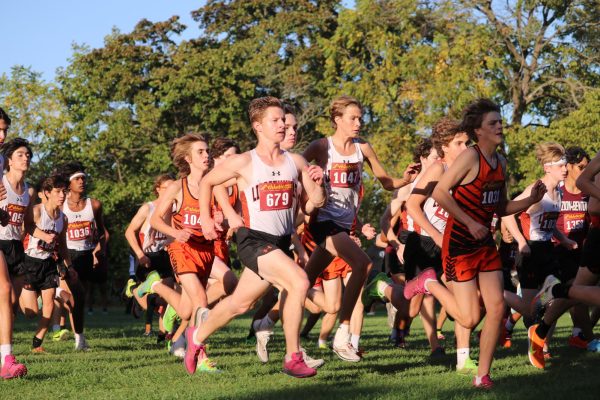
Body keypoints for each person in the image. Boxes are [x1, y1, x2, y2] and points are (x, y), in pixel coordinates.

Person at [404, 99, 546, 388]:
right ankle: (429, 282)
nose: (499, 126)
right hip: (458, 244)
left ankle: (482, 375)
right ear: (478, 131)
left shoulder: (501, 162)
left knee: (496, 308)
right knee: (468, 318)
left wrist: (530, 200)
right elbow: (442, 193)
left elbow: (502, 206)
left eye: (500, 121)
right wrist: (469, 222)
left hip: (484, 246)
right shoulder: (470, 157)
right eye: (492, 123)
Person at [189, 96, 326, 378]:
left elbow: (314, 204)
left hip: (279, 243)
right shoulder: (243, 162)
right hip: (253, 240)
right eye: (274, 121)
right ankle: (293, 356)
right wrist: (206, 217)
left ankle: (196, 336)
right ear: (258, 126)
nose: (282, 125)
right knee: (299, 281)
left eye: (283, 120)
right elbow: (207, 182)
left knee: (240, 303)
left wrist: (319, 183)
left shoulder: (296, 161)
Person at [302, 95, 419, 362]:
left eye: (360, 118)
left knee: (303, 282)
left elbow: (386, 182)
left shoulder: (362, 148)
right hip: (323, 221)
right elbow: (295, 170)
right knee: (364, 264)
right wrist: (308, 195)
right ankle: (343, 334)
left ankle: (273, 333)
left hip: (346, 225)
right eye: (352, 118)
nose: (358, 123)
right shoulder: (321, 147)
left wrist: (406, 178)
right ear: (337, 120)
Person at [149, 133, 218, 371]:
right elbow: (156, 219)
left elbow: (224, 216)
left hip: (206, 249)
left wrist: (221, 219)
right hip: (182, 248)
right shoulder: (178, 187)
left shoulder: (214, 184)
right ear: (188, 158)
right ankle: (201, 356)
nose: (206, 155)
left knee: (188, 310)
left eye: (207, 151)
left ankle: (155, 286)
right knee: (202, 299)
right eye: (201, 152)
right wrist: (175, 233)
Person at [527, 150, 600, 367]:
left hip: (586, 242)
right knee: (577, 291)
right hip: (596, 235)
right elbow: (588, 189)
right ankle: (555, 296)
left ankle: (542, 330)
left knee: (578, 291)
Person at [21, 175, 72, 353]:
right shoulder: (36, 211)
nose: (62, 195)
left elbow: (63, 245)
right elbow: (21, 234)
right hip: (29, 262)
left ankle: (37, 343)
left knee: (49, 305)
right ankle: (22, 294)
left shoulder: (63, 219)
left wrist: (68, 266)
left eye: (64, 191)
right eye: (58, 191)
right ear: (47, 193)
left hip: (48, 264)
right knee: (31, 312)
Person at [0, 108, 27, 379]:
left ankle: (6, 357)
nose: (2, 135)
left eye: (5, 129)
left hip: (13, 245)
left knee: (8, 298)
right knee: (4, 290)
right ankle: (6, 360)